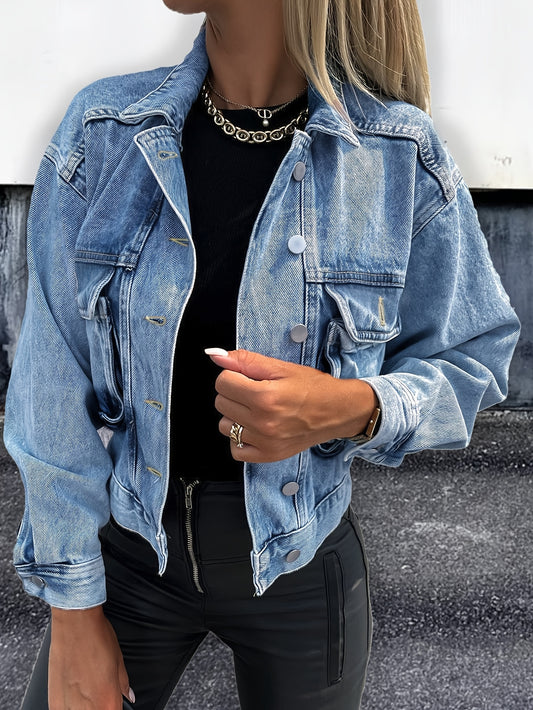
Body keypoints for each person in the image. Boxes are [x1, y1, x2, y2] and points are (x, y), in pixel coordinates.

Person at [4, 0, 520, 708]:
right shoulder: (106, 132)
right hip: (127, 558)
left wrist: (352, 408)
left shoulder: (395, 152)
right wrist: (72, 609)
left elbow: (473, 357)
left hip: (300, 567)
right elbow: (51, 384)